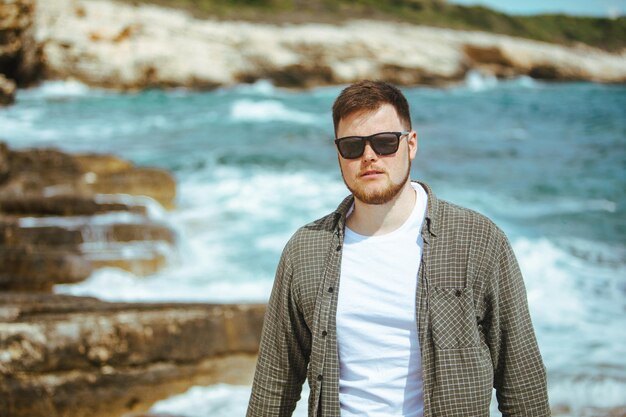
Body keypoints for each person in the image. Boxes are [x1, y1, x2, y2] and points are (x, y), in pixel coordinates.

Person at [246, 80, 549, 417]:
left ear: (411, 144)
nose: (369, 157)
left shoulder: (477, 241)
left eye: (385, 142)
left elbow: (520, 378)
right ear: (338, 154)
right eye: (352, 147)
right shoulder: (305, 250)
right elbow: (275, 381)